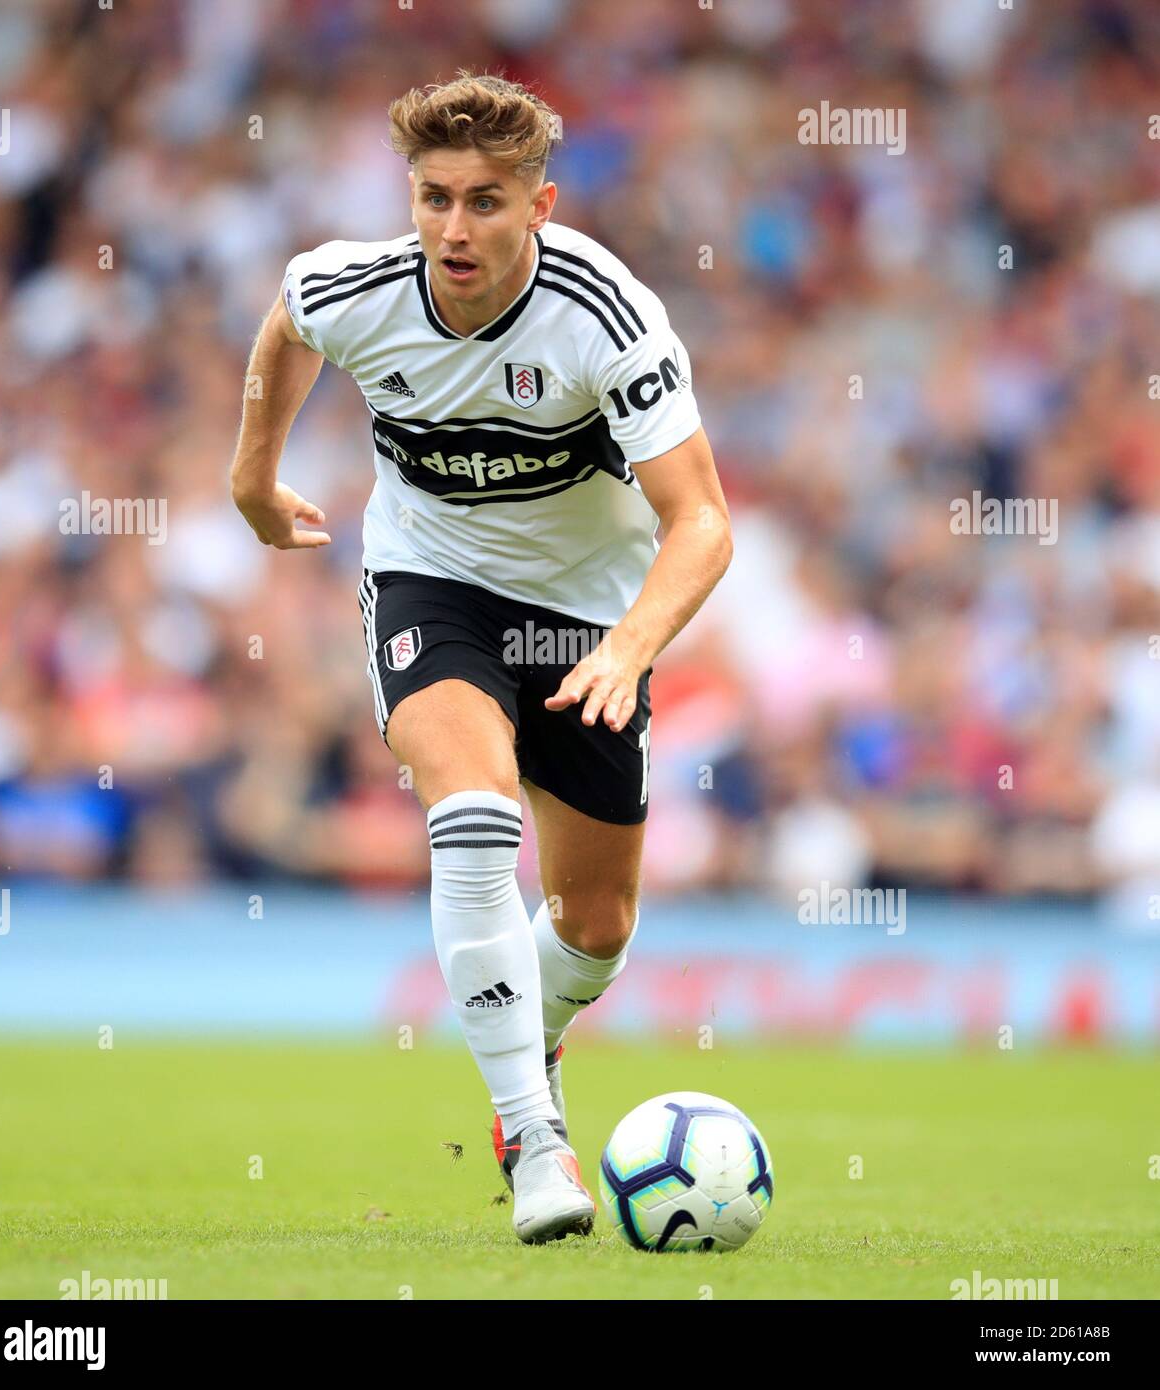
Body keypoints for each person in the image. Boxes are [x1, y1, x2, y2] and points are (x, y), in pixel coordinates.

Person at [231, 71, 732, 1244]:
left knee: (596, 923)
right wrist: (252, 473)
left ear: (540, 205)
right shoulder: (359, 287)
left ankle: (526, 1042)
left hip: (587, 622)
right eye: (435, 198)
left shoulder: (606, 315)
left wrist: (629, 648)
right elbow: (288, 324)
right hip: (432, 585)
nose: (454, 229)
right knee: (472, 813)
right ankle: (533, 1137)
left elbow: (704, 521)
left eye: (485, 202)